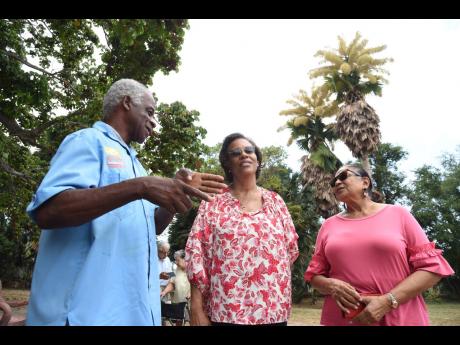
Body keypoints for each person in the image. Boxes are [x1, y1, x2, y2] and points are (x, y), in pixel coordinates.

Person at [25, 79, 227, 326]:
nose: (154, 121)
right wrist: (141, 187)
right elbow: (49, 210)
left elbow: (152, 227)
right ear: (127, 103)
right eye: (150, 112)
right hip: (83, 315)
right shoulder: (88, 140)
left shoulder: (136, 165)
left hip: (130, 314)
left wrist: (176, 194)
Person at [304, 163, 455, 326]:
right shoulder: (328, 225)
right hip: (344, 319)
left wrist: (388, 301)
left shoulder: (399, 215)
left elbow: (432, 269)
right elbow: (314, 276)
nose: (337, 183)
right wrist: (330, 284)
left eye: (343, 176)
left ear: (365, 182)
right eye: (333, 182)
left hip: (399, 317)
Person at [185, 133, 299, 326]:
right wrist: (196, 307)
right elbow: (198, 253)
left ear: (258, 159)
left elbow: (290, 252)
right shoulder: (213, 202)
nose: (244, 155)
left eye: (249, 150)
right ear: (228, 163)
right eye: (236, 153)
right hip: (226, 311)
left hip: (272, 311)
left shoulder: (276, 202)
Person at [160, 249, 191, 326]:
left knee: (191, 321)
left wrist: (191, 293)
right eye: (175, 261)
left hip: (189, 302)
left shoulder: (192, 269)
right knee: (178, 321)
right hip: (178, 302)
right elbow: (172, 283)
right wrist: (164, 292)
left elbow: (196, 285)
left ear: (185, 259)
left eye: (178, 261)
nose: (176, 263)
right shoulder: (176, 269)